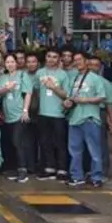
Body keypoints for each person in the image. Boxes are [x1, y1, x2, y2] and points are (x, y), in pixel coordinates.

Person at [64, 52, 107, 187]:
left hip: (90, 118)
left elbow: (101, 97)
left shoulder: (95, 78)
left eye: (79, 60)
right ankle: (77, 176)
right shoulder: (74, 78)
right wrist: (67, 102)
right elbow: (70, 97)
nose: (77, 62)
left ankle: (97, 177)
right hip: (74, 119)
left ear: (86, 61)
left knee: (94, 150)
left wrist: (85, 100)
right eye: (75, 60)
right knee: (74, 150)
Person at [0, 54, 33, 182]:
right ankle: (14, 168)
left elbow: (28, 93)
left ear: (16, 63)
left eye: (12, 61)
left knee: (18, 142)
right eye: (7, 62)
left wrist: (25, 110)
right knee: (11, 143)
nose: (10, 64)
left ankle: (23, 169)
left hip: (19, 115)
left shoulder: (23, 75)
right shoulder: (2, 77)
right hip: (7, 115)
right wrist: (6, 89)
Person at [35, 48, 71, 181]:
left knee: (60, 143)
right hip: (43, 113)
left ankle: (62, 169)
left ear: (59, 59)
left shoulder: (63, 75)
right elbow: (36, 92)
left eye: (54, 57)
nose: (51, 59)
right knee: (45, 142)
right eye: (49, 56)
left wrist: (53, 87)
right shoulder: (39, 73)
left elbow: (66, 94)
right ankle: (49, 168)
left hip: (58, 114)